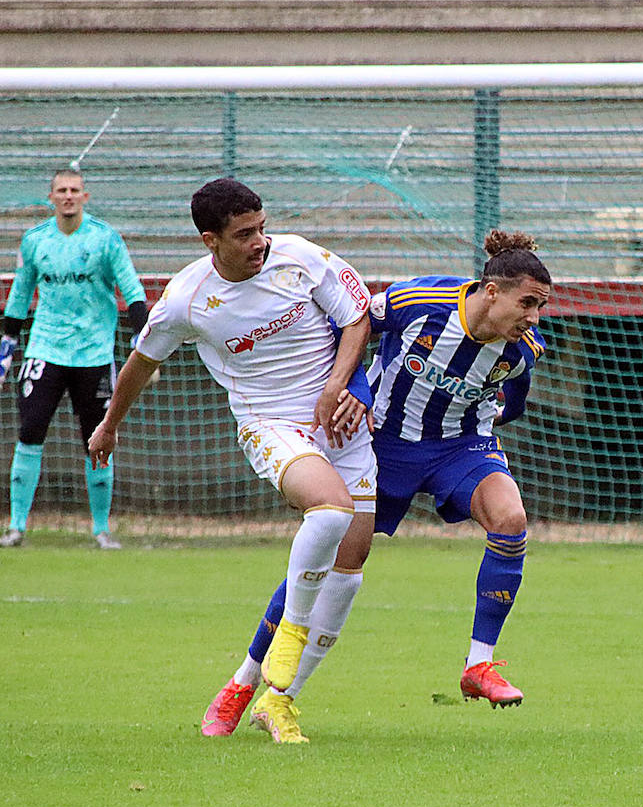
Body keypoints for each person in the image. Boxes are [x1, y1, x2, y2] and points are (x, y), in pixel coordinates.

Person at [199, 228, 551, 738]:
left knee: (511, 520)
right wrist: (356, 389)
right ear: (492, 291)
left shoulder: (522, 351)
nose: (535, 318)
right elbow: (351, 327)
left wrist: (480, 420)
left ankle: (479, 664)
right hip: (382, 445)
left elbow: (512, 403)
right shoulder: (420, 301)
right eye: (529, 304)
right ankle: (244, 682)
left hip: (460, 448)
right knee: (331, 562)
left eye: (541, 307)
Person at [88, 177, 377, 744]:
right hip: (270, 424)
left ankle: (269, 694)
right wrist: (109, 424)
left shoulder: (302, 258)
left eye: (262, 227)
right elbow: (142, 363)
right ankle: (289, 634)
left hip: (339, 420)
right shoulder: (187, 300)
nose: (260, 241)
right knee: (330, 510)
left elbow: (358, 316)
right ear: (209, 240)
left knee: (350, 568)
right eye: (245, 234)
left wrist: (340, 385)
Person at [0, 168, 147, 549]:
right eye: (61, 190)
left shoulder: (105, 239)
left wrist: (143, 344)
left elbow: (131, 290)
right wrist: (7, 345)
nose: (68, 196)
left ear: (86, 196)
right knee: (29, 432)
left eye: (75, 190)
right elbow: (20, 293)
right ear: (50, 197)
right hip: (45, 350)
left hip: (94, 353)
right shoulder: (35, 241)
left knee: (95, 440)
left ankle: (101, 530)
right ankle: (16, 526)